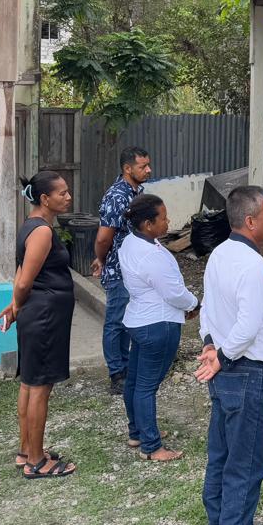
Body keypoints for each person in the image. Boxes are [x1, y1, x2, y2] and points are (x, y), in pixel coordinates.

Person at [194, 185, 263, 525]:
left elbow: (208, 310)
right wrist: (224, 355)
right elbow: (247, 325)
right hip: (247, 372)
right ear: (250, 221)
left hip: (227, 371)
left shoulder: (220, 254)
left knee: (223, 454)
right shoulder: (251, 265)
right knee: (246, 462)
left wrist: (211, 345)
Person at [0, 170, 78, 479]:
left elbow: (21, 272)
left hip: (38, 312)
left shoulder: (31, 226)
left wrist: (15, 305)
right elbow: (24, 281)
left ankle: (26, 450)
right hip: (44, 316)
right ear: (45, 198)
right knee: (40, 387)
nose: (68, 197)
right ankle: (36, 461)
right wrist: (17, 304)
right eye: (62, 193)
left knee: (30, 383)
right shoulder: (42, 232)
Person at [118, 193, 198, 462]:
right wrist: (194, 303)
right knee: (146, 386)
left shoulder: (130, 243)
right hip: (158, 324)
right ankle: (152, 446)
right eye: (163, 218)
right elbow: (173, 293)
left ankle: (137, 431)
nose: (168, 222)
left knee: (135, 381)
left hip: (139, 320)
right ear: (148, 224)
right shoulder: (151, 256)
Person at [93, 146, 153, 394]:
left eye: (148, 165)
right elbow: (103, 237)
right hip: (119, 271)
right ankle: (116, 373)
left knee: (128, 321)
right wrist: (101, 259)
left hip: (135, 270)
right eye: (142, 166)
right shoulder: (116, 196)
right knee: (116, 322)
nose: (148, 170)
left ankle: (126, 368)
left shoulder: (137, 192)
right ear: (128, 169)